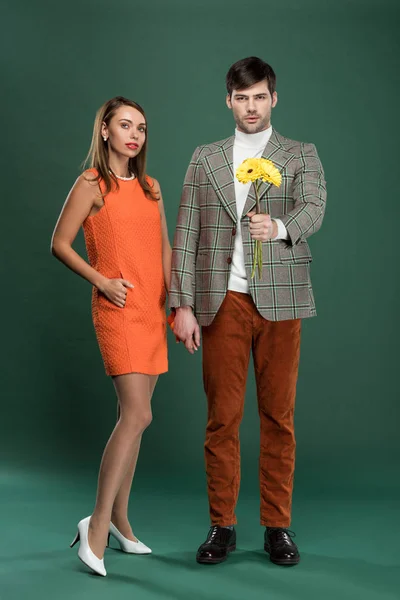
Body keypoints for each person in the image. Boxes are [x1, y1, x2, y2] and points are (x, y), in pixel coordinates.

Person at [169, 57, 327, 566]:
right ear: (228, 101)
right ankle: (222, 525)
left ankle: (277, 527)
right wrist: (183, 304)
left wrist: (277, 229)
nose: (251, 106)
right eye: (242, 98)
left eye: (260, 96)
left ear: (273, 98)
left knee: (278, 417)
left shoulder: (300, 154)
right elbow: (186, 231)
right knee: (222, 419)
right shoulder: (205, 158)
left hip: (282, 301)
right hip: (222, 302)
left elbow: (314, 205)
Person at [51, 96, 171, 576]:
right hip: (117, 309)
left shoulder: (151, 186)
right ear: (104, 130)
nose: (134, 134)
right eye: (125, 125)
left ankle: (120, 520)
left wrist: (178, 303)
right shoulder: (91, 183)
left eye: (141, 127)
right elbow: (59, 243)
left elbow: (163, 248)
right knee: (138, 413)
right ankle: (96, 526)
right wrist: (101, 280)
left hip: (153, 312)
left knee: (135, 418)